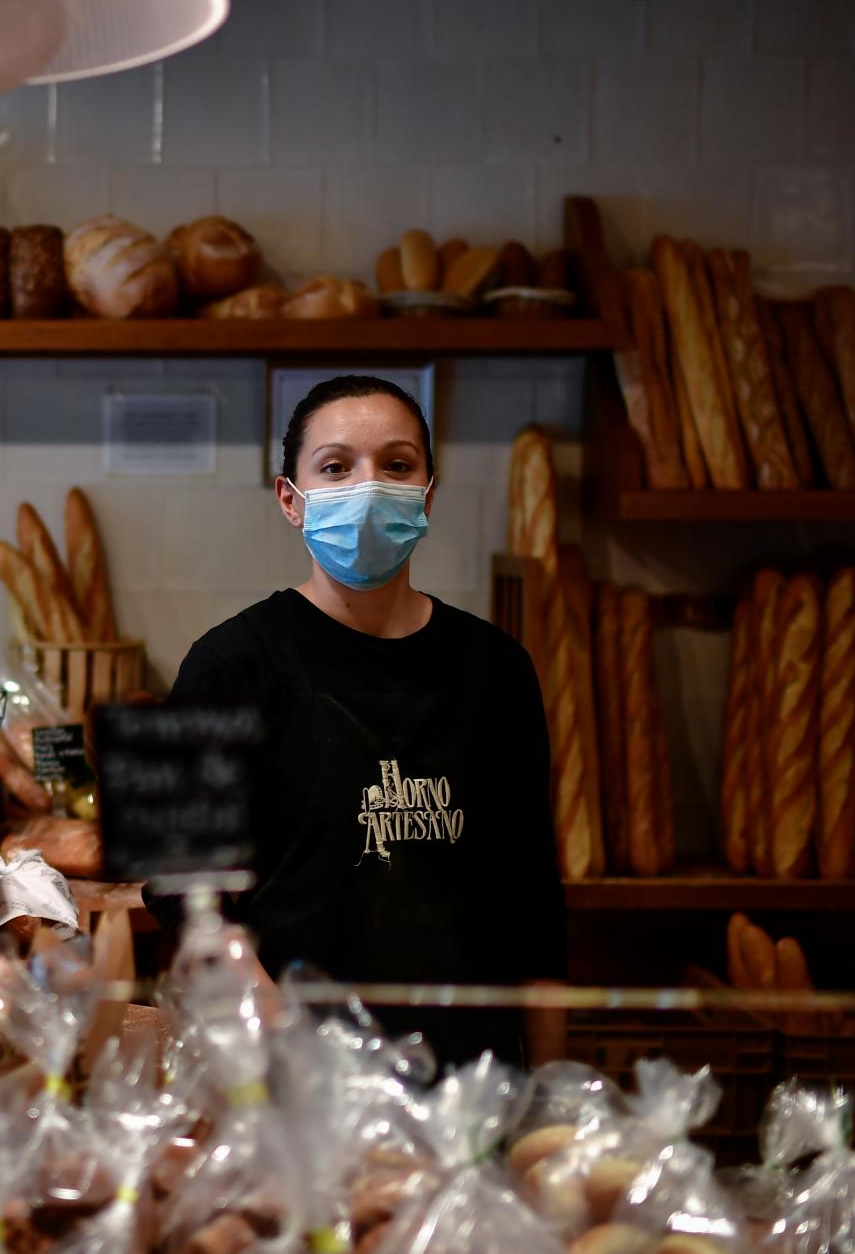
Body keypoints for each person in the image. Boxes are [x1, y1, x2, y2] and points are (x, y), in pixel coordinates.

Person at [160, 373, 564, 1064]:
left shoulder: (498, 668)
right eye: (337, 466)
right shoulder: (228, 668)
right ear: (291, 499)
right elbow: (181, 894)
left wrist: (553, 1094)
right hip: (299, 1084)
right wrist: (284, 1052)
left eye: (397, 465)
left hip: (474, 1084)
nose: (369, 486)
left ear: (428, 494)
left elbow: (535, 900)